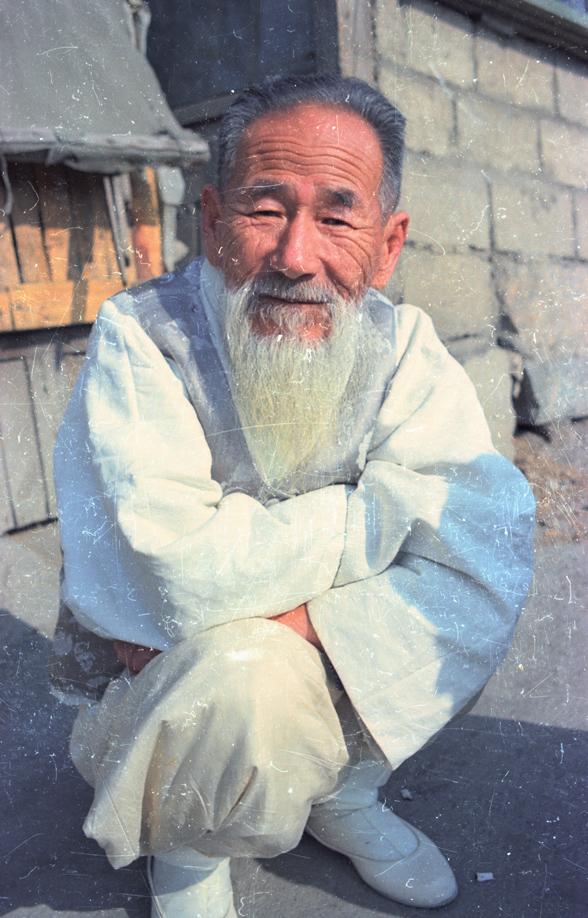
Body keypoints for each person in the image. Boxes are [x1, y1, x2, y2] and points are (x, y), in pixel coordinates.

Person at [53, 74, 535, 917]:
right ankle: (189, 849)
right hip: (161, 700)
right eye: (266, 209)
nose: (296, 256)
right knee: (249, 670)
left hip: (277, 657)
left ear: (389, 243)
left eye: (338, 218)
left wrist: (307, 621)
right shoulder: (143, 336)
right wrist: (378, 515)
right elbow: (179, 573)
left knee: (465, 595)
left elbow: (483, 547)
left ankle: (341, 792)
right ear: (212, 221)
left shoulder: (404, 347)